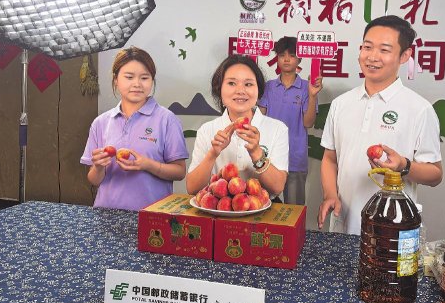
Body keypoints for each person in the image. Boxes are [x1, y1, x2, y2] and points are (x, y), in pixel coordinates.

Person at [318, 15, 443, 234]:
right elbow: (330, 158)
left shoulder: (419, 109)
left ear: (405, 55)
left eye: (384, 50)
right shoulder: (341, 104)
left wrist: (404, 166)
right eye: (367, 47)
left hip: (391, 230)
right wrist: (330, 195)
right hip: (343, 224)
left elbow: (435, 174)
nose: (372, 57)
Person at [81, 47, 188, 211]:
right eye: (129, 77)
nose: (137, 84)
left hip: (152, 216)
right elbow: (94, 180)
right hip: (106, 214)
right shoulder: (101, 122)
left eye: (144, 78)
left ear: (152, 80)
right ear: (116, 80)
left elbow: (180, 172)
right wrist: (98, 167)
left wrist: (148, 165)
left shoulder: (167, 119)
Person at [186, 54, 288, 197]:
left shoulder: (278, 129)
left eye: (248, 84)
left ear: (258, 91)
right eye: (232, 83)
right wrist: (213, 154)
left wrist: (257, 154)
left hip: (264, 208)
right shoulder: (206, 130)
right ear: (219, 90)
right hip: (217, 208)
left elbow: (277, 188)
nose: (240, 90)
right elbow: (192, 189)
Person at [258, 36, 322, 205]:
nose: (286, 59)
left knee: (294, 210)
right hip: (268, 158)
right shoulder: (268, 87)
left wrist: (313, 96)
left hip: (295, 157)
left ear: (299, 59)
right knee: (264, 207)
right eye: (282, 55)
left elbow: (308, 123)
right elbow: (259, 120)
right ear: (277, 58)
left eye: (292, 55)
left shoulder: (307, 87)